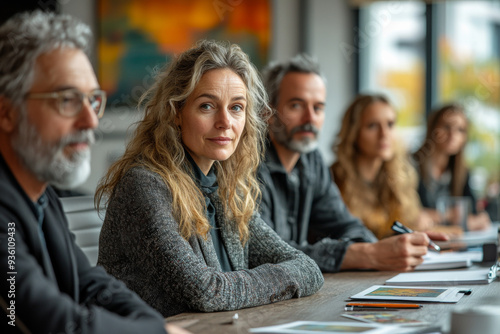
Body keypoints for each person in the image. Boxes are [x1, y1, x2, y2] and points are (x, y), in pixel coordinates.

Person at [96, 40, 324, 317]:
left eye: (236, 107)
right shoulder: (145, 185)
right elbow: (207, 292)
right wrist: (280, 278)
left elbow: (308, 268)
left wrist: (257, 282)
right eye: (207, 106)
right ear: (176, 112)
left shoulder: (227, 188)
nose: (225, 122)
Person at [0, 11, 188, 334]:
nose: (91, 122)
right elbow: (55, 323)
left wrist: (152, 324)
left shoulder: (41, 195)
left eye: (92, 100)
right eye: (67, 100)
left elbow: (91, 285)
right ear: (6, 113)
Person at [258, 54, 446, 273]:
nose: (310, 119)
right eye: (296, 106)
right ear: (268, 112)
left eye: (318, 108)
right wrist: (369, 254)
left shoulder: (311, 161)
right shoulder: (249, 165)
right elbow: (267, 254)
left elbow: (344, 224)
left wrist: (384, 247)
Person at [331, 94, 433, 239]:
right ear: (354, 132)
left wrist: (420, 223)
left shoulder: (401, 177)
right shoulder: (333, 180)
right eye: (372, 126)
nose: (384, 134)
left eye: (390, 124)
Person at [413, 103, 491, 230]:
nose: (452, 134)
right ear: (433, 129)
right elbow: (411, 215)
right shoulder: (413, 165)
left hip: (452, 242)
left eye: (460, 130)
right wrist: (450, 215)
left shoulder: (462, 171)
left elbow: (477, 215)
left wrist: (437, 217)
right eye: (446, 126)